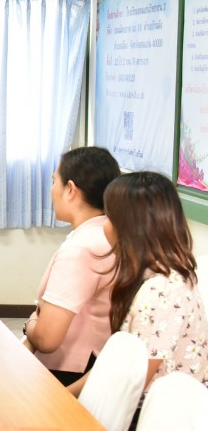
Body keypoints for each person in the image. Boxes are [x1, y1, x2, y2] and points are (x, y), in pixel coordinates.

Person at [68, 171, 208, 405]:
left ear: (130, 227)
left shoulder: (163, 291)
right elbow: (113, 366)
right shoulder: (154, 274)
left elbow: (132, 382)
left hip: (160, 412)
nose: (104, 225)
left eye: (109, 217)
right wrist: (67, 395)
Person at [23, 147, 121, 385]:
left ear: (70, 190)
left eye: (54, 181)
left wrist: (30, 324)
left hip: (72, 372)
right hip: (100, 365)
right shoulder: (109, 232)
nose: (51, 190)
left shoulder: (81, 250)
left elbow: (47, 339)